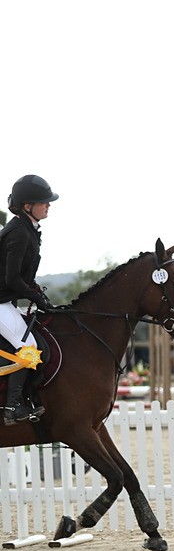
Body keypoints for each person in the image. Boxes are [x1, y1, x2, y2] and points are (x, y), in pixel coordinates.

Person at [0, 175, 58, 425]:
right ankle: (13, 406)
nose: (48, 205)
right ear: (27, 206)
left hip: (6, 301)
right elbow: (12, 279)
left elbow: (21, 278)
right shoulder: (19, 233)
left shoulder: (28, 229)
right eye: (43, 201)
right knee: (30, 348)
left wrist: (40, 296)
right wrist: (36, 296)